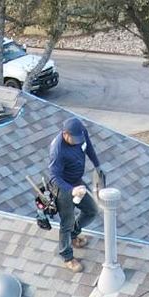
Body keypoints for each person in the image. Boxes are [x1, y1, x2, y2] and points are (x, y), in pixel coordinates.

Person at [48, 116, 105, 273]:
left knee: (92, 209)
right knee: (67, 221)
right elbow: (54, 177)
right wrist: (71, 190)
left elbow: (88, 148)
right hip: (63, 186)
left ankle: (74, 234)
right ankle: (67, 256)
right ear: (65, 134)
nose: (78, 141)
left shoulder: (80, 133)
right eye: (75, 139)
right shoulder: (57, 150)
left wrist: (97, 166)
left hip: (76, 180)